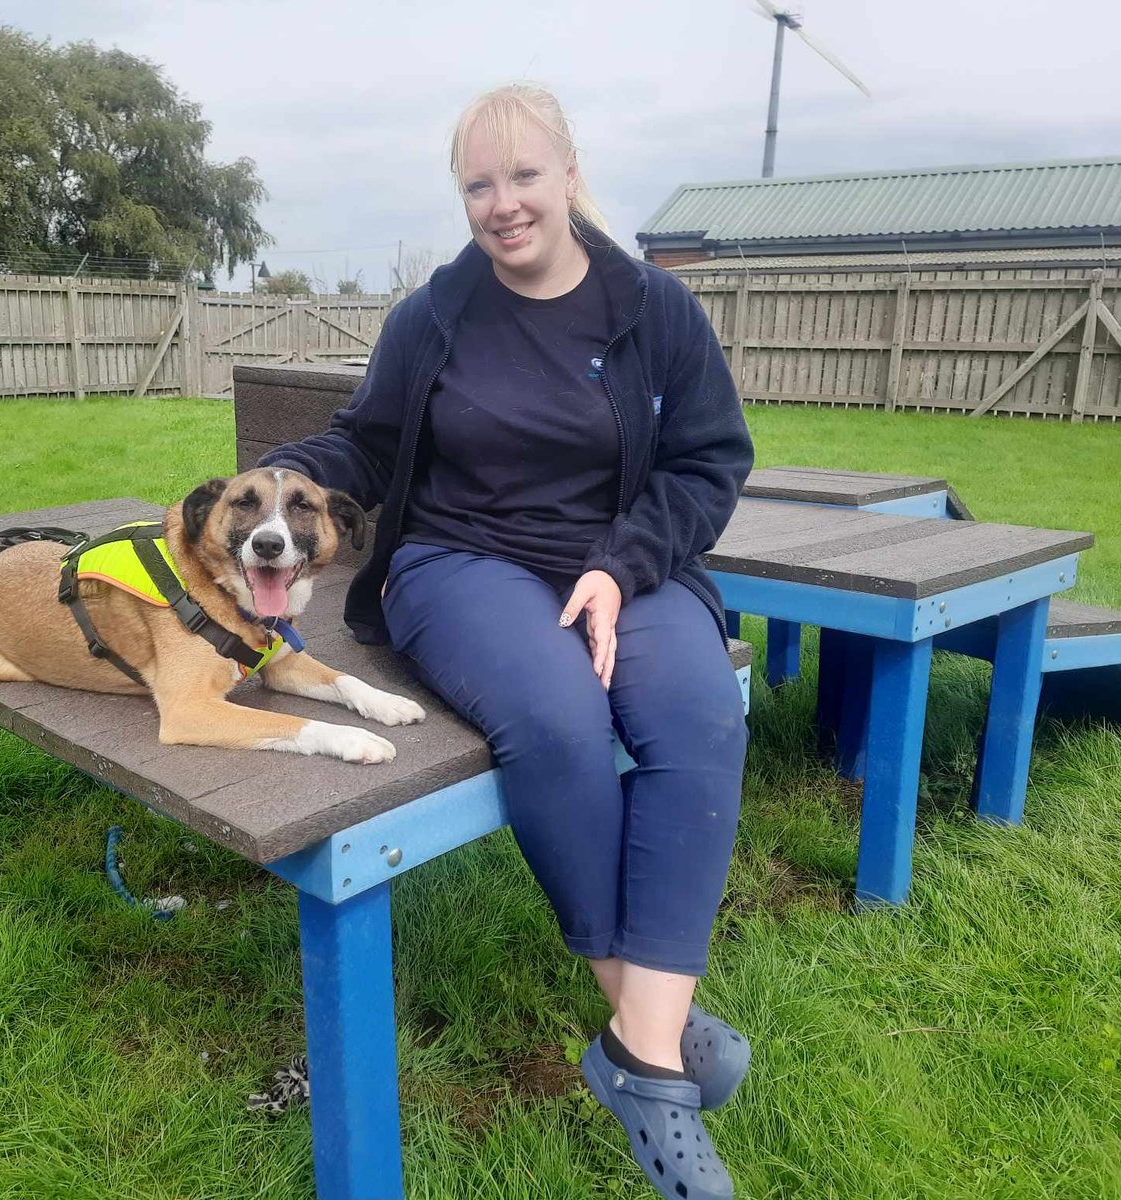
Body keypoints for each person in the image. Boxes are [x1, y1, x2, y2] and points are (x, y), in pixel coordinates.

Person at [261, 83, 754, 1200]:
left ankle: (637, 1055)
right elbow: (368, 444)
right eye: (477, 185)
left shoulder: (652, 310)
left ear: (569, 175)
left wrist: (620, 567)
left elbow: (709, 464)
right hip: (462, 563)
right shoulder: (435, 314)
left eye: (522, 176)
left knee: (694, 712)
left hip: (623, 564)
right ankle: (653, 1032)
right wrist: (285, 484)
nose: (501, 204)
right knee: (558, 721)